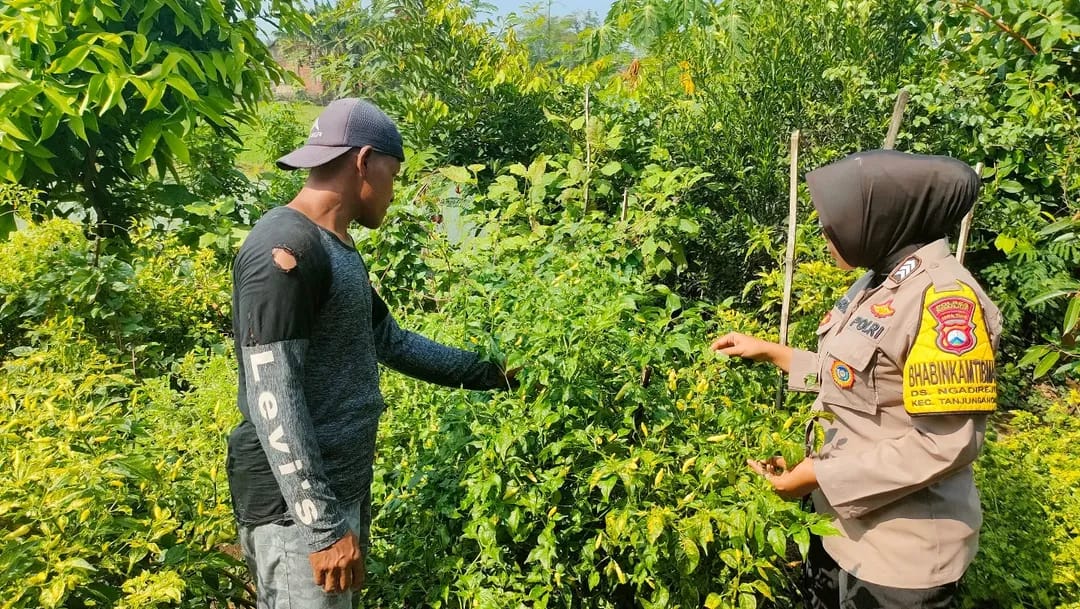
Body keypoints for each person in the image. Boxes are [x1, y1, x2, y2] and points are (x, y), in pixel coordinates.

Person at [226, 98, 517, 609]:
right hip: (295, 515)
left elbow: (389, 340)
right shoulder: (285, 251)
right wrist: (321, 527)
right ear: (363, 161)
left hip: (337, 496)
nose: (394, 190)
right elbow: (274, 397)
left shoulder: (334, 247)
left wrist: (495, 375)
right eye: (394, 174)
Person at [711, 150, 1000, 609]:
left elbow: (944, 443)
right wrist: (773, 352)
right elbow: (864, 376)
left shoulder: (945, 302)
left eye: (836, 221)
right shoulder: (880, 279)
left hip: (899, 555)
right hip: (842, 530)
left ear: (883, 218)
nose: (827, 233)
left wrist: (812, 475)